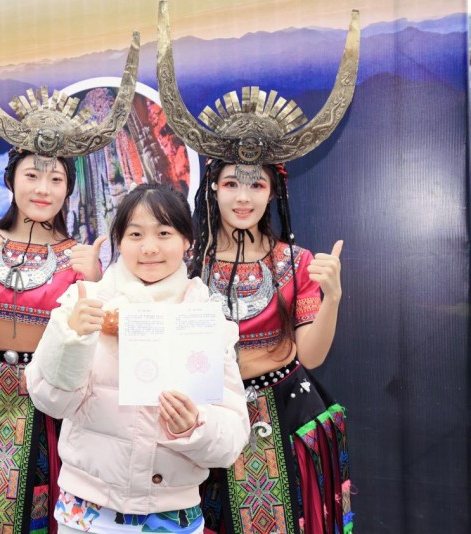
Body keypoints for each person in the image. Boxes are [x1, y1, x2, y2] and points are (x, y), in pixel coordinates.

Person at [0, 10, 141, 534]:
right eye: (32, 175)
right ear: (11, 179)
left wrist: (93, 282)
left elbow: (105, 353)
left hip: (51, 412)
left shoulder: (80, 255)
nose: (43, 188)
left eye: (56, 178)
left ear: (68, 189)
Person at [156, 3, 358, 532]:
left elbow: (311, 354)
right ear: (213, 189)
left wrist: (333, 297)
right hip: (207, 422)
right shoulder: (187, 264)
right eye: (231, 183)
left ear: (273, 193)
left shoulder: (296, 261)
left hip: (285, 415)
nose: (243, 197)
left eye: (256, 184)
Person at [25, 184, 250, 534]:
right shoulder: (85, 302)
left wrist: (194, 425)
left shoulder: (203, 318)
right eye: (135, 234)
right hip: (86, 511)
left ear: (187, 241)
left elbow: (231, 439)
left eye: (164, 233)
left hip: (172, 514)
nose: (149, 248)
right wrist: (72, 339)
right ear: (119, 240)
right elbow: (50, 401)